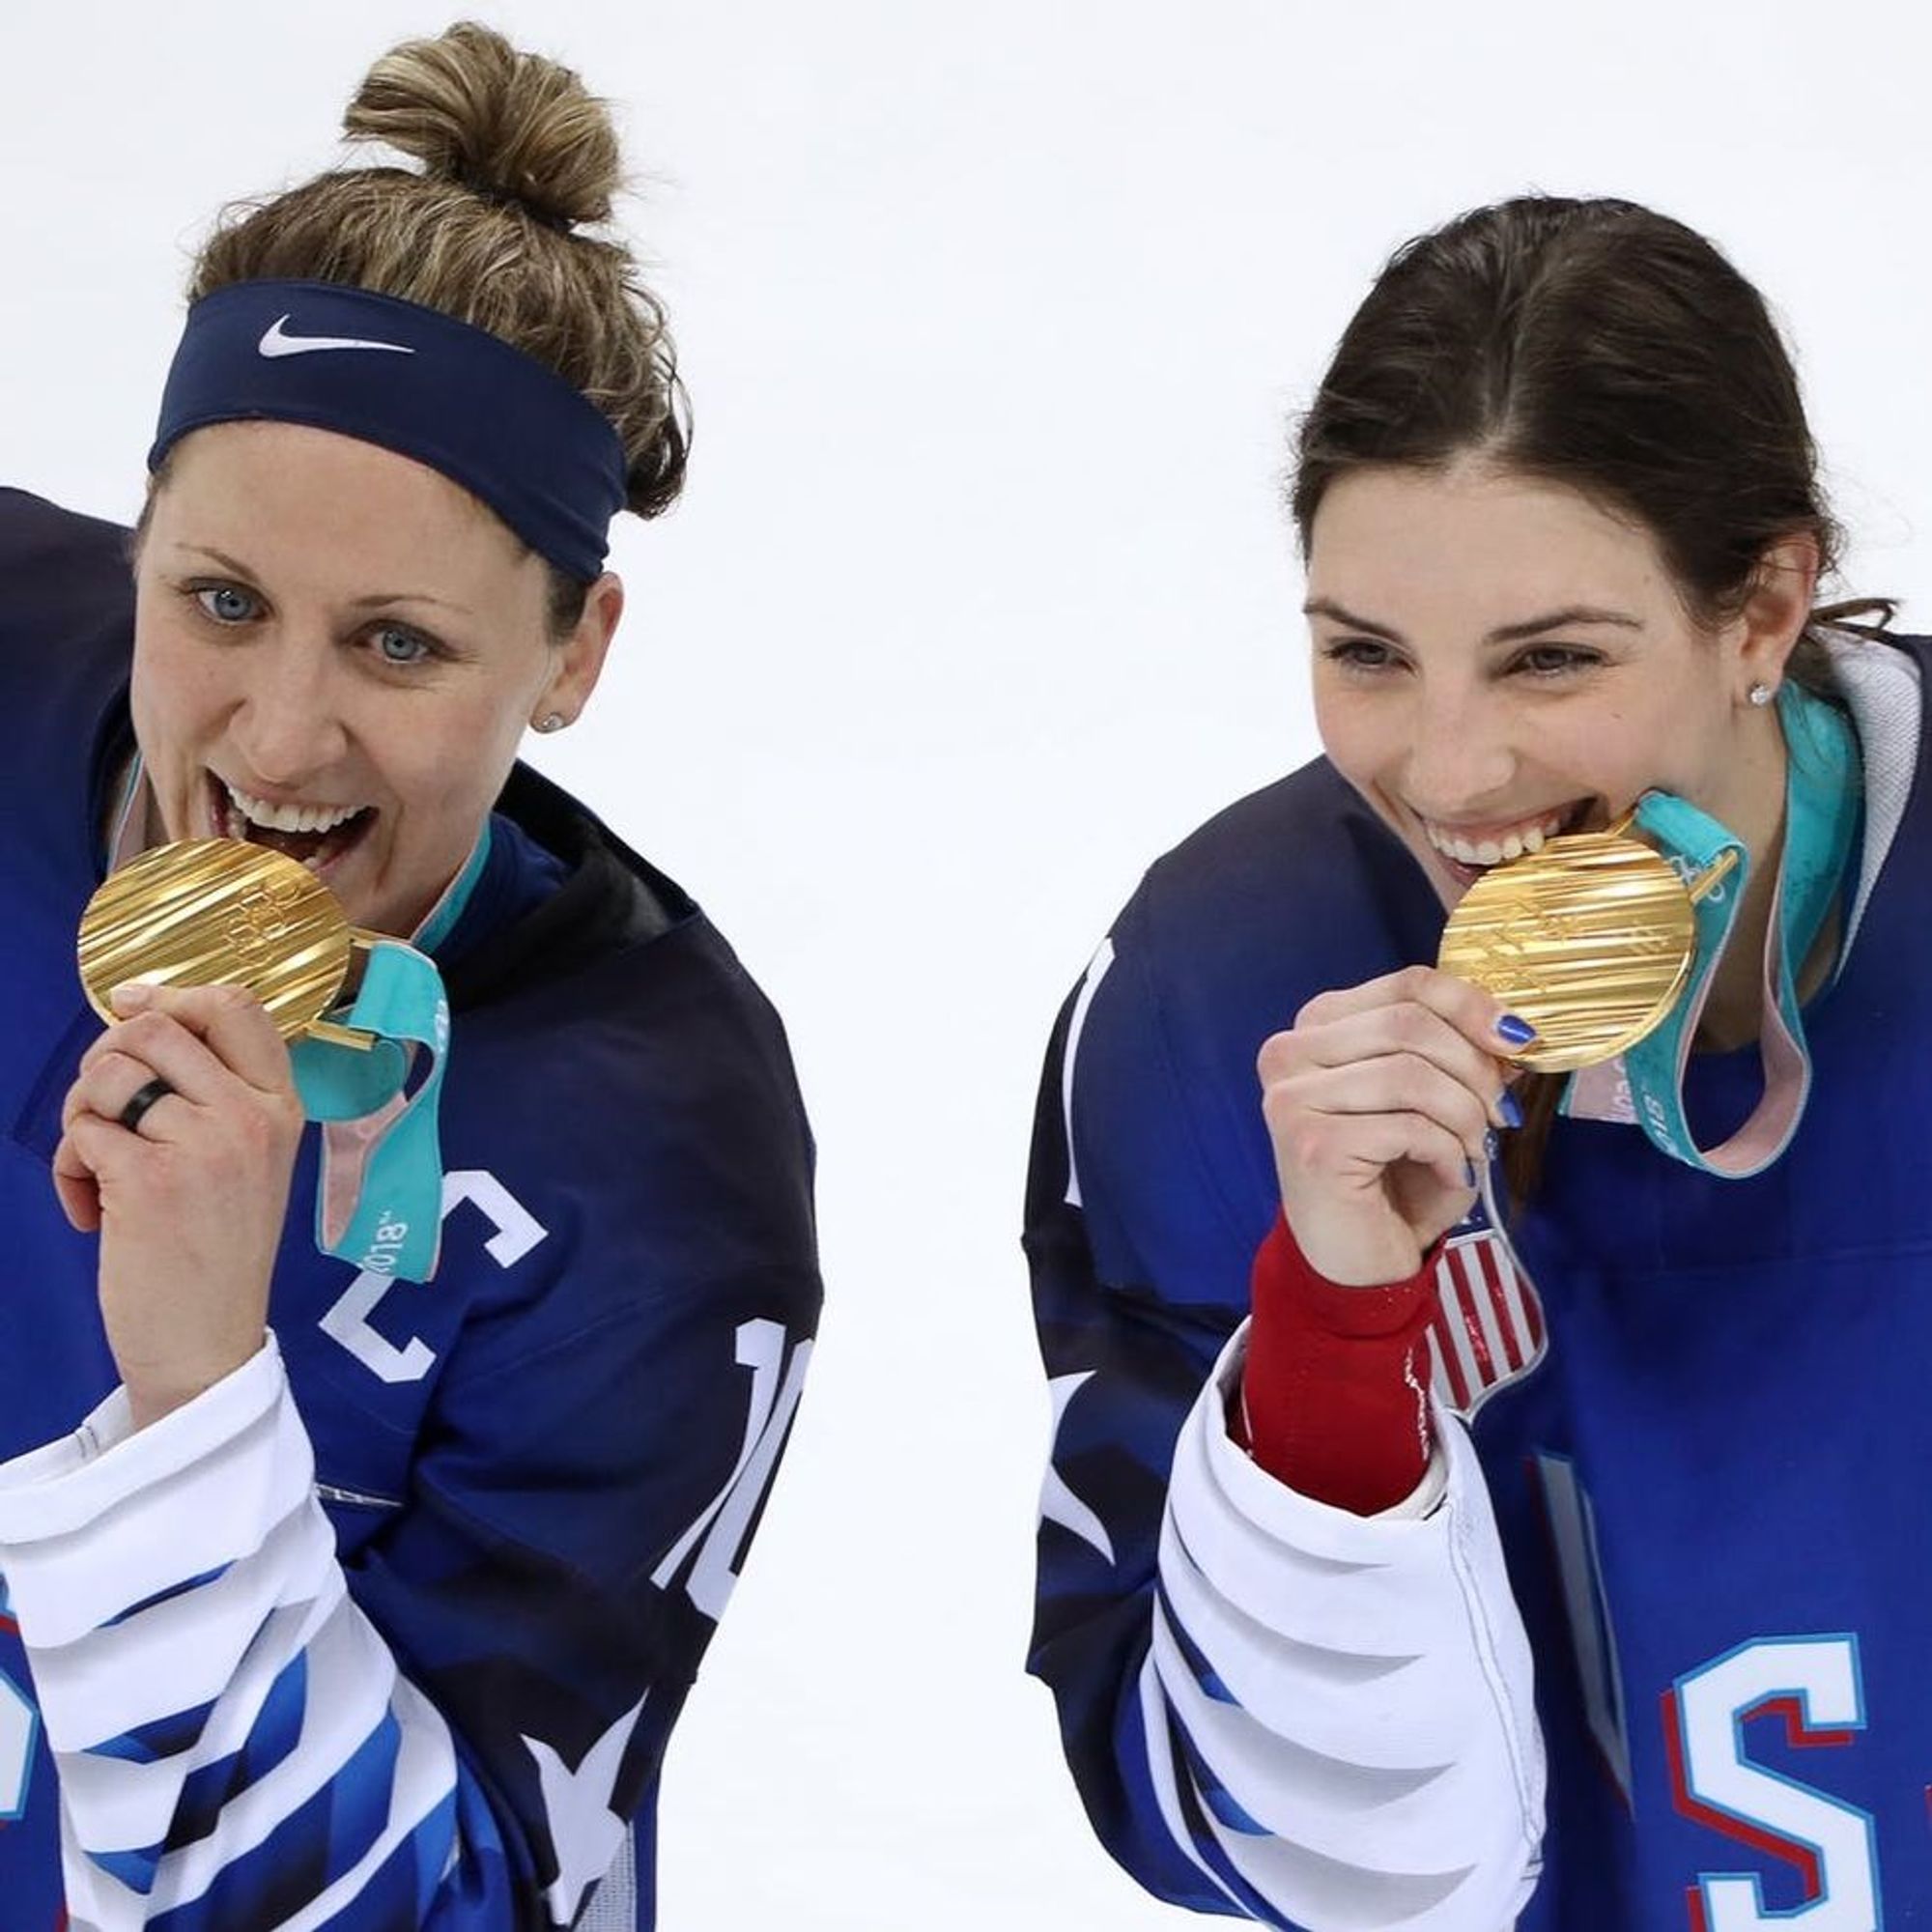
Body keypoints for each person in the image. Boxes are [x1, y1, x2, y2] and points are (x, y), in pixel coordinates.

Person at [0, 22, 819, 1929]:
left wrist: (200, 1393)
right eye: (219, 600)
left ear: (571, 655)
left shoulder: (653, 1158)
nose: (279, 739)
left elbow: (450, 1905)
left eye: (397, 643)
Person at [1024, 194, 1922, 1930]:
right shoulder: (1220, 999)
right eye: (1365, 653)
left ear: (1763, 608)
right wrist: (1335, 1332)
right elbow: (1298, 1864)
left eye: (1555, 659)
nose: (1447, 776)